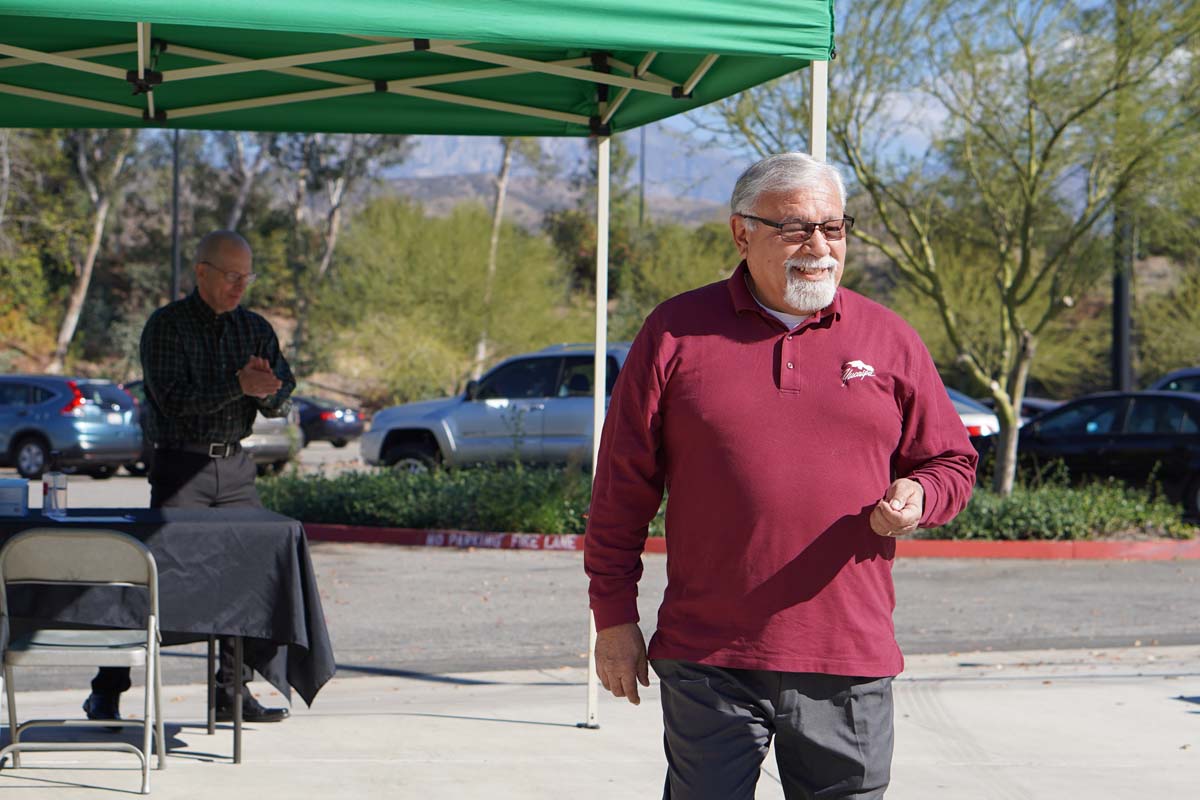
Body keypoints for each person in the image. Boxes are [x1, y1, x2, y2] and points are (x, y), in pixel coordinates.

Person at [584, 153, 978, 799]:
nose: (819, 247)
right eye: (796, 229)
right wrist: (613, 618)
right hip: (709, 655)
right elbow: (621, 487)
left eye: (835, 227)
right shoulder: (675, 332)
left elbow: (950, 461)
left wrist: (920, 494)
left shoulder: (890, 338)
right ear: (742, 234)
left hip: (847, 654)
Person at [84, 230, 295, 726]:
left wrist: (267, 392)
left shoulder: (257, 329)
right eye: (231, 276)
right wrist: (238, 385)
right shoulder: (166, 327)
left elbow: (281, 395)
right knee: (159, 577)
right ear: (201, 272)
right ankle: (107, 689)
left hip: (237, 468)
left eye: (247, 276)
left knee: (247, 576)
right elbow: (174, 403)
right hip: (181, 468)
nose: (240, 286)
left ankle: (231, 692)